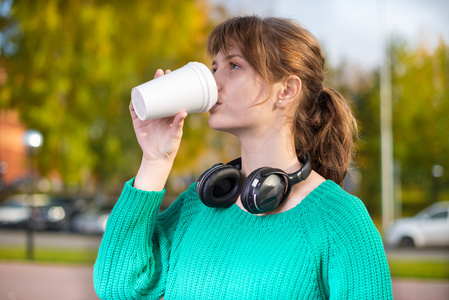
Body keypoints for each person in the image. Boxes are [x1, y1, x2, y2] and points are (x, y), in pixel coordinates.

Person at [93, 16, 392, 299]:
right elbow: (118, 286)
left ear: (286, 90)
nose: (214, 82)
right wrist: (155, 160)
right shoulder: (197, 204)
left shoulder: (339, 222)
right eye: (214, 67)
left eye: (233, 66)